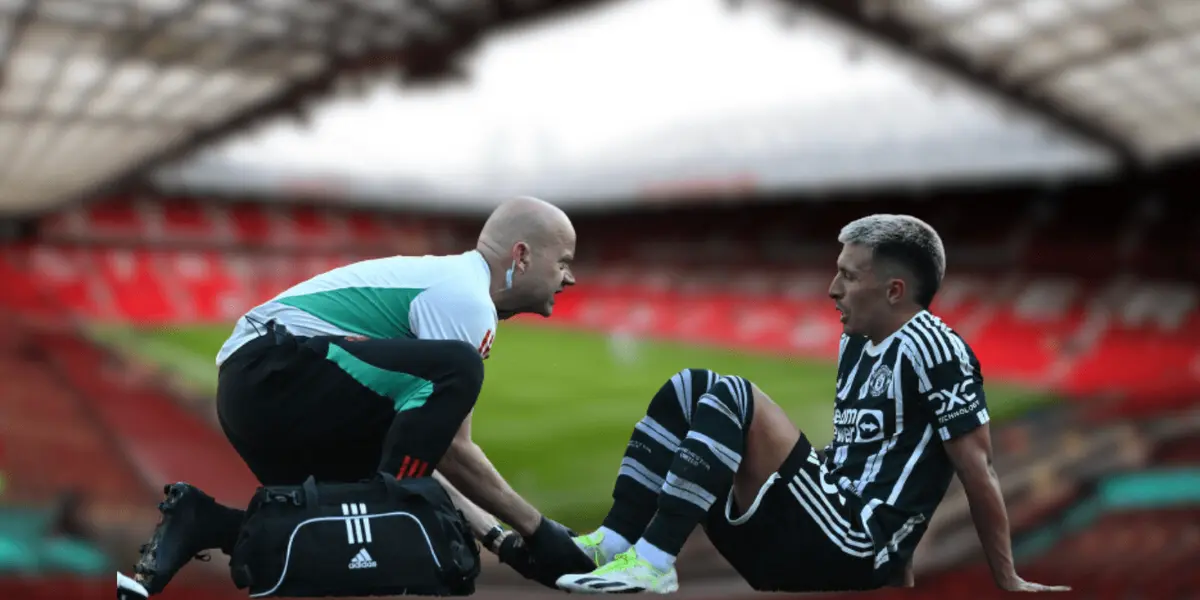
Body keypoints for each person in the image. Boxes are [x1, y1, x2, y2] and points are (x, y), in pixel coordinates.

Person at [555, 214, 1072, 594]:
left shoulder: (936, 349)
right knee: (689, 388)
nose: (831, 289)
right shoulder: (854, 342)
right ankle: (616, 541)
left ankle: (654, 560)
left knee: (735, 397)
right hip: (819, 524)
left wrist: (1007, 578)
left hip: (852, 540)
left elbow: (976, 468)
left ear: (894, 290)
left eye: (848, 275)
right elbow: (871, 455)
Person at [127, 196, 594, 596]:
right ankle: (393, 507)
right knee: (454, 382)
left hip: (267, 391)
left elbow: (429, 452)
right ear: (522, 255)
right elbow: (454, 450)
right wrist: (536, 530)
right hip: (272, 375)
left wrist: (502, 541)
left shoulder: (455, 288)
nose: (569, 278)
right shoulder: (467, 300)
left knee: (346, 535)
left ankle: (200, 521)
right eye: (564, 261)